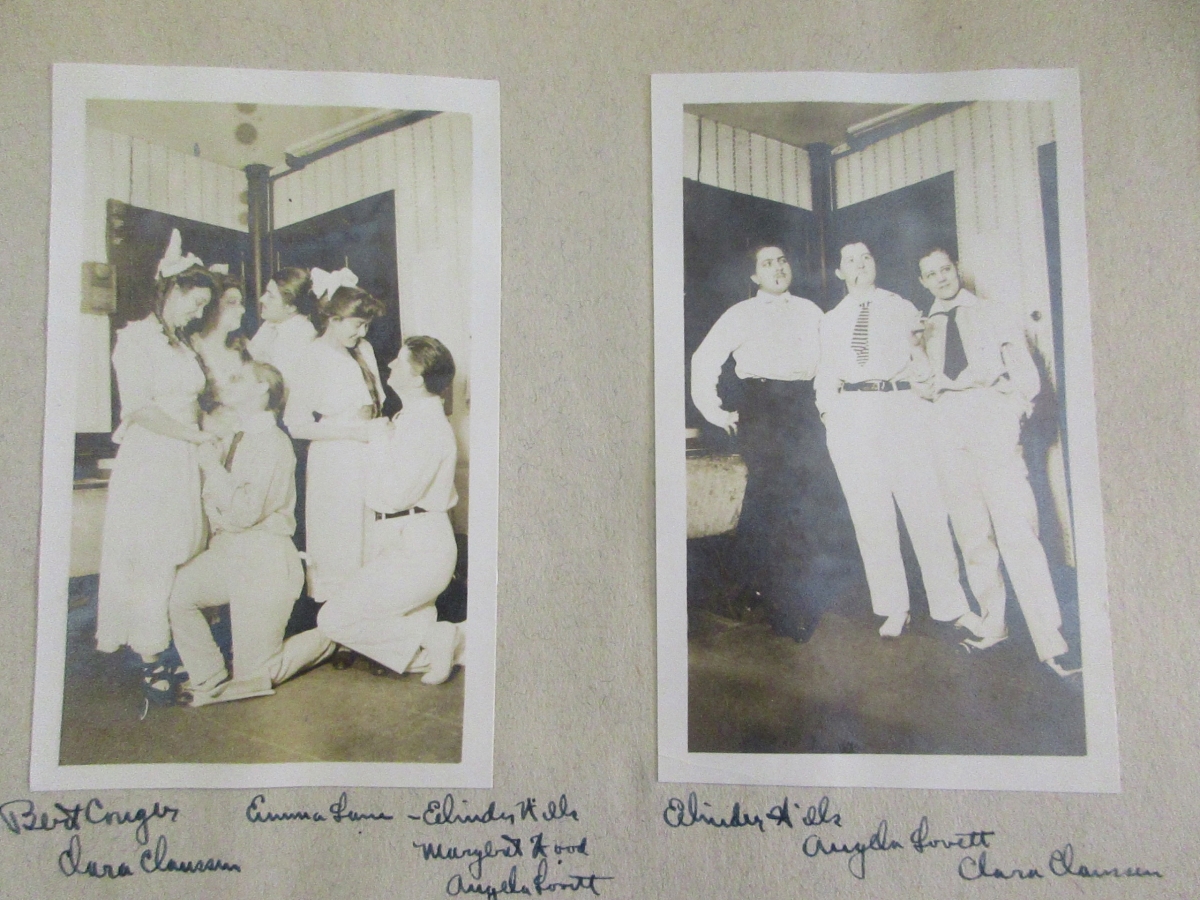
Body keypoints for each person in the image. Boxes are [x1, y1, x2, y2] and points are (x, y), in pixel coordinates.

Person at [916, 248, 1078, 677]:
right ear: (923, 282)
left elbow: (1027, 375)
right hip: (947, 423)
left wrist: (1012, 411)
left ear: (955, 270)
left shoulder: (990, 312)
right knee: (972, 533)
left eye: (945, 270)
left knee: (1017, 530)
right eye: (931, 275)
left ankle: (1052, 641)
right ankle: (995, 623)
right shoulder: (921, 327)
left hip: (990, 416)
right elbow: (919, 385)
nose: (941, 279)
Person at [814, 240, 984, 639]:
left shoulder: (902, 306)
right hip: (852, 415)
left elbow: (921, 360)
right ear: (839, 272)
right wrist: (830, 415)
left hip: (900, 409)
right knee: (871, 516)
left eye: (866, 257)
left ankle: (952, 606)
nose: (860, 265)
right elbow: (825, 374)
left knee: (926, 508)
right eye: (850, 260)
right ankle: (894, 608)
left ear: (876, 264)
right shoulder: (831, 320)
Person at [95, 229, 219, 705]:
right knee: (151, 554)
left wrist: (205, 437)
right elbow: (140, 409)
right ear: (170, 290)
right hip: (152, 457)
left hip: (184, 458)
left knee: (182, 550)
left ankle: (179, 643)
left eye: (205, 304)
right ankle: (151, 655)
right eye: (195, 301)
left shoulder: (185, 346)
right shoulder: (134, 340)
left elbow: (193, 404)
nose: (199, 311)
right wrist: (194, 436)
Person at [168, 362, 333, 706]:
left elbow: (243, 513)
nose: (225, 382)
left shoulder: (272, 443)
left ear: (262, 389)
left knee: (254, 675)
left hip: (265, 559)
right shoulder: (235, 437)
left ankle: (336, 634)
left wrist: (212, 468)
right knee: (179, 596)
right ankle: (208, 677)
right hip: (229, 551)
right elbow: (217, 507)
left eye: (237, 377)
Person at [689, 244, 827, 639]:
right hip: (763, 408)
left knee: (804, 505)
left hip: (804, 409)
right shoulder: (740, 313)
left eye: (783, 260)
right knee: (772, 504)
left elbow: (828, 365)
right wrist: (716, 412)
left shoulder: (811, 312)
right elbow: (704, 360)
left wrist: (825, 409)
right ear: (754, 277)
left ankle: (770, 592)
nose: (778, 268)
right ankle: (782, 608)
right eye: (767, 263)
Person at [317, 336, 463, 685]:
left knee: (334, 619)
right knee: (396, 618)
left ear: (417, 377)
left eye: (399, 360)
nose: (390, 365)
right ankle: (436, 643)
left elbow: (395, 496)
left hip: (421, 547)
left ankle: (436, 639)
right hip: (406, 540)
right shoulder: (410, 418)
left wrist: (378, 439)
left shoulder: (426, 426)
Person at [283, 268, 386, 603]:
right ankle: (338, 623)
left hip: (368, 451)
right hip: (335, 459)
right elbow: (296, 424)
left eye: (366, 325)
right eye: (357, 324)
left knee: (370, 538)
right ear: (333, 317)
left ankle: (366, 621)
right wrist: (352, 433)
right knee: (341, 540)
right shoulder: (312, 356)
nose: (363, 331)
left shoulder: (363, 349)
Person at [247, 267, 317, 389]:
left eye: (271, 296)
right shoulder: (270, 324)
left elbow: (280, 388)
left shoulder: (303, 336)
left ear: (291, 307)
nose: (261, 299)